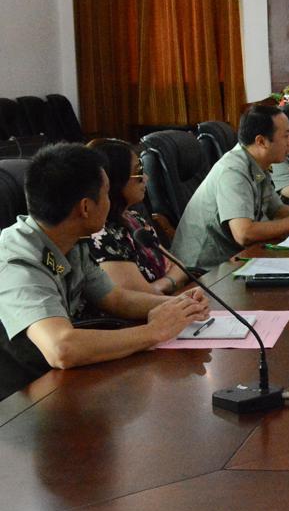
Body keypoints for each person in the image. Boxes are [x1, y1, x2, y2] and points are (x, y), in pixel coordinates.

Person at [0, 144, 210, 400]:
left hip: (56, 384)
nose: (111, 203)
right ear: (85, 208)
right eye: (107, 193)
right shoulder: (16, 261)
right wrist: (154, 332)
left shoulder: (69, 240)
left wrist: (178, 306)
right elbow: (61, 348)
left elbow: (115, 298)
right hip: (19, 403)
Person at [171, 104, 289, 272]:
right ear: (261, 141)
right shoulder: (233, 171)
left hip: (237, 258)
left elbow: (276, 209)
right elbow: (243, 233)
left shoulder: (259, 162)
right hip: (204, 271)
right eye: (286, 136)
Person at [87, 139, 189, 294]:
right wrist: (170, 281)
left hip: (170, 300)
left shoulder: (134, 219)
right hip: (151, 308)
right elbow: (138, 296)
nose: (146, 178)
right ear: (115, 180)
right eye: (138, 171)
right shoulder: (101, 235)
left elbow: (180, 268)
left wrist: (161, 286)